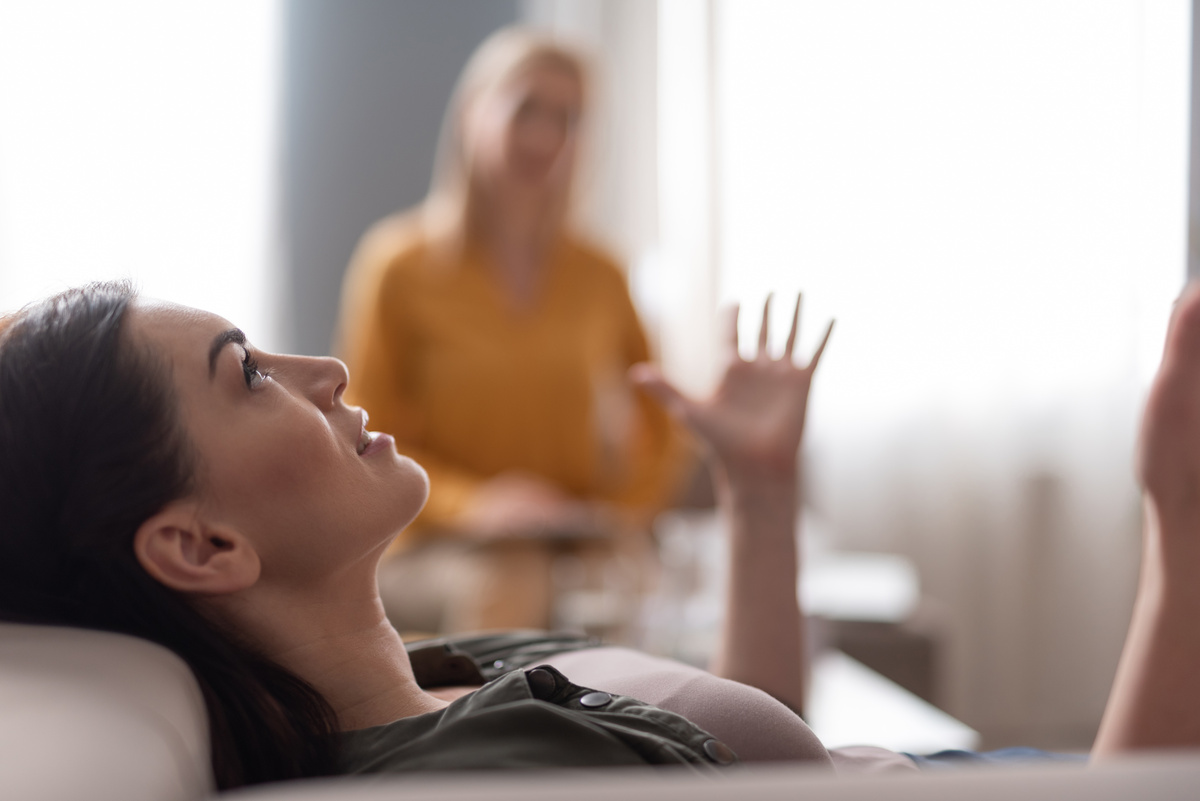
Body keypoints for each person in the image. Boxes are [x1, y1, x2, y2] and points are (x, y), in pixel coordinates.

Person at [1, 282, 1198, 792]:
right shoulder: (484, 782)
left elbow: (746, 760)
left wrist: (760, 502)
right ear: (201, 547)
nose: (327, 370)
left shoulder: (442, 685)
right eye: (249, 373)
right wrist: (1182, 524)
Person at [334, 27, 687, 633]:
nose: (546, 136)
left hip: (571, 540)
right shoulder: (397, 264)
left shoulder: (601, 275)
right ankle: (490, 728)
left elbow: (664, 416)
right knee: (514, 575)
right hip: (440, 542)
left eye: (568, 118)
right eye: (527, 109)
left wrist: (619, 513)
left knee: (631, 587)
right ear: (474, 114)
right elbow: (361, 436)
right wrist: (478, 504)